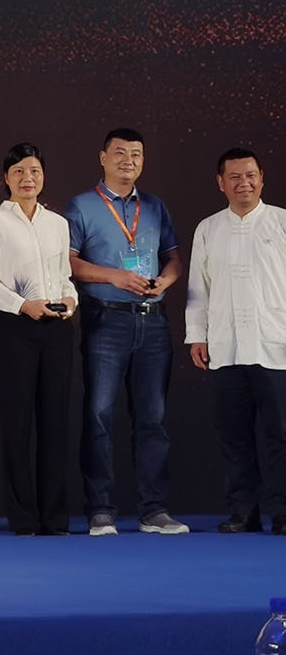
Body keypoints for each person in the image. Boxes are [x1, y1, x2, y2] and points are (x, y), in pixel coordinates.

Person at [64, 127, 187, 535]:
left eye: (136, 153)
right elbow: (69, 263)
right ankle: (101, 509)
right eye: (119, 152)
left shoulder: (154, 206)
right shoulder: (82, 206)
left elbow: (173, 259)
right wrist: (114, 276)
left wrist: (166, 281)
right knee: (99, 416)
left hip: (153, 320)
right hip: (106, 320)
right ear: (103, 157)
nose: (128, 160)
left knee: (153, 418)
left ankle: (154, 510)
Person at [0, 143, 78, 536]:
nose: (27, 178)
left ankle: (55, 517)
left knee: (55, 422)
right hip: (15, 327)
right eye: (18, 171)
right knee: (18, 423)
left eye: (34, 171)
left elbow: (64, 276)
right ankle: (23, 517)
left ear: (43, 176)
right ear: (6, 178)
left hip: (57, 327)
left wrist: (71, 299)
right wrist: (22, 306)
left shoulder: (58, 223)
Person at [185, 148, 286, 535]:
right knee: (233, 435)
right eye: (235, 177)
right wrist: (197, 335)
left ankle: (283, 511)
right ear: (220, 183)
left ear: (262, 177)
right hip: (225, 347)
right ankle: (244, 511)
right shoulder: (209, 229)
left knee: (280, 434)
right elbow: (198, 288)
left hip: (276, 346)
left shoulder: (280, 222)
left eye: (250, 175)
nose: (244, 183)